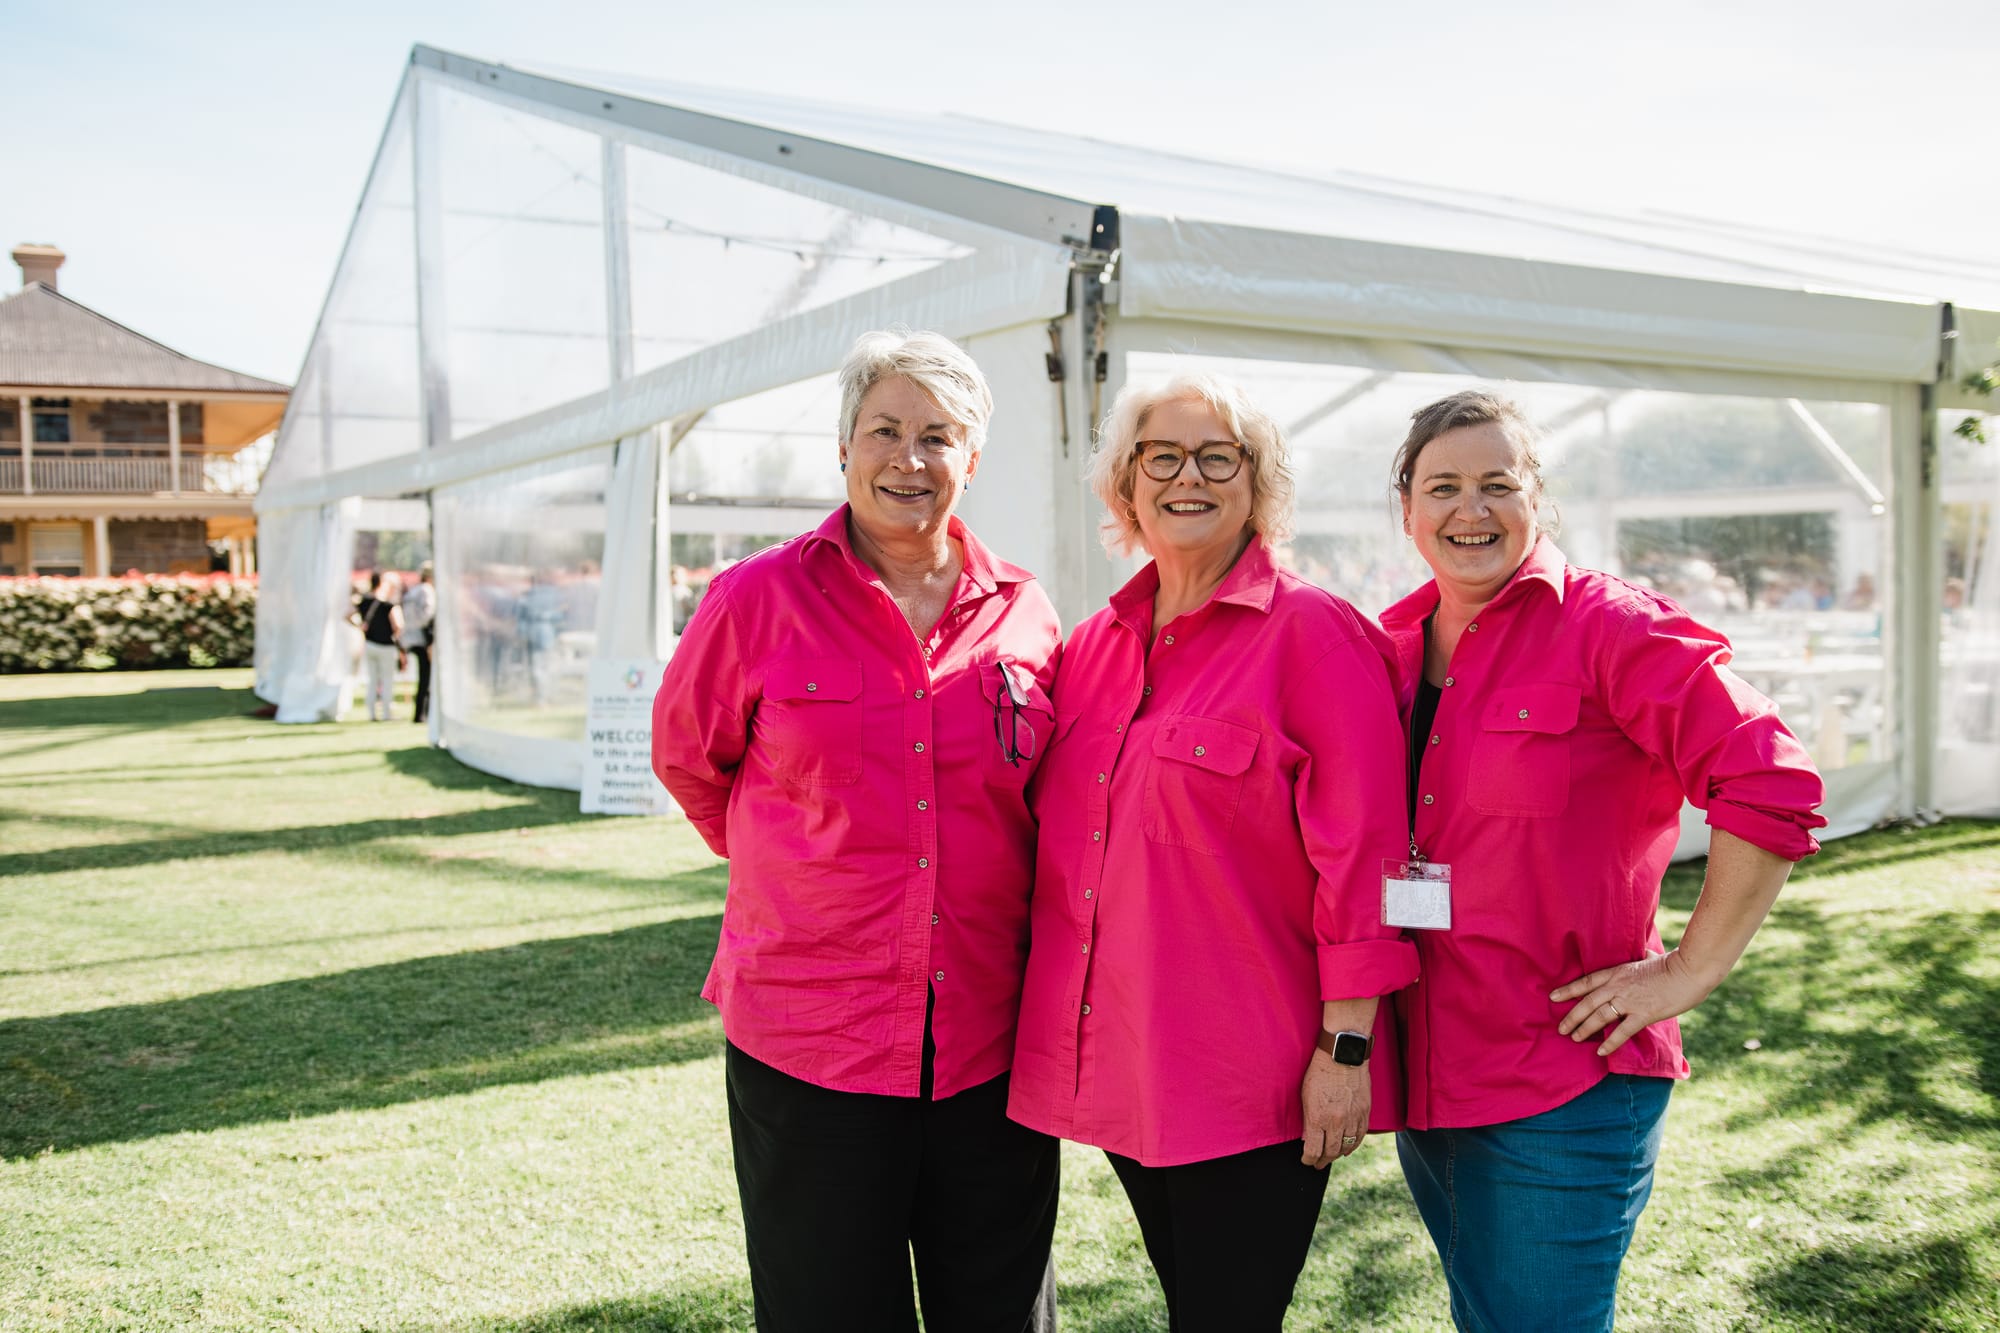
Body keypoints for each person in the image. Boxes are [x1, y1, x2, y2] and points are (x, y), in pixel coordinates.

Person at [1380, 389, 1827, 1332]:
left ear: (1537, 497)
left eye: (1498, 484)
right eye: (1444, 487)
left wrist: (1691, 967)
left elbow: (1772, 780)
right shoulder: (1385, 644)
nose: (1472, 511)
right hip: (1428, 1073)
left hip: (1564, 1081)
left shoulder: (1610, 627)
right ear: (1407, 509)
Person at [652, 330, 1062, 1333]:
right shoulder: (754, 599)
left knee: (1000, 1310)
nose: (908, 458)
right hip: (809, 1036)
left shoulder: (1023, 613)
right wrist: (798, 870)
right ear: (844, 448)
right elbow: (687, 759)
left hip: (986, 1038)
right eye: (885, 430)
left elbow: (1044, 802)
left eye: (938, 435)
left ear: (972, 458)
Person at [1008, 373, 1414, 1331]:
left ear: (1257, 483)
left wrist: (1344, 1049)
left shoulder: (1316, 637)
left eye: (1217, 457)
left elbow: (1366, 863)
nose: (1188, 477)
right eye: (1162, 457)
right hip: (1126, 1063)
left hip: (1256, 1079)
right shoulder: (1096, 645)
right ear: (1127, 486)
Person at [350, 571, 403, 722]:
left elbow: (348, 614)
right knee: (387, 680)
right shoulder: (388, 605)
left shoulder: (364, 602)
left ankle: (372, 713)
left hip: (369, 644)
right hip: (386, 645)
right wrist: (397, 638)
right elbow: (398, 625)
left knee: (372, 680)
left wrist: (359, 625)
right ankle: (387, 713)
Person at [399, 562, 436, 724]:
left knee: (423, 678)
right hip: (424, 638)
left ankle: (421, 713)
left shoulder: (412, 592)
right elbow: (427, 615)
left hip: (411, 638)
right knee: (426, 678)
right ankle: (422, 713)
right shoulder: (426, 591)